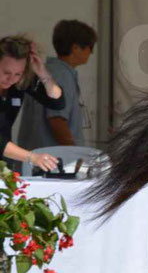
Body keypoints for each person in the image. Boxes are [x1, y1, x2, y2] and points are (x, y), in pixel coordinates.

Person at [17, 20, 96, 151]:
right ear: (75, 48)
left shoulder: (47, 71)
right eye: (90, 47)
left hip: (35, 158)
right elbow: (57, 120)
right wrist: (75, 155)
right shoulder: (62, 75)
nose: (91, 52)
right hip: (52, 163)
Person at [0, 35, 64, 173]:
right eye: (6, 72)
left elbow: (57, 102)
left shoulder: (18, 83)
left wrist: (42, 73)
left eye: (18, 73)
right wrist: (32, 157)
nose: (11, 78)